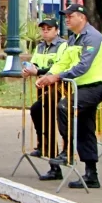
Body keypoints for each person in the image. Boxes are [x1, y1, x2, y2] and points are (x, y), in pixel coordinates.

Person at [35, 4, 102, 189]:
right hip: (80, 88)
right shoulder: (73, 39)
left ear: (82, 18)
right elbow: (64, 62)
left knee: (64, 107)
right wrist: (48, 76)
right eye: (66, 16)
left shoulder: (92, 37)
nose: (67, 19)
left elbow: (83, 66)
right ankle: (92, 175)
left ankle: (68, 151)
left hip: (95, 86)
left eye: (70, 16)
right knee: (86, 128)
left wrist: (57, 77)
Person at [22, 18, 69, 163]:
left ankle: (62, 150)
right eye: (43, 29)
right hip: (42, 86)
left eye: (49, 29)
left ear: (56, 30)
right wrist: (28, 70)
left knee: (45, 113)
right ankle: (45, 145)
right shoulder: (40, 47)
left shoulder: (62, 46)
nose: (45, 31)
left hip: (58, 87)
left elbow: (59, 66)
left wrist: (38, 72)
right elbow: (34, 64)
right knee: (39, 112)